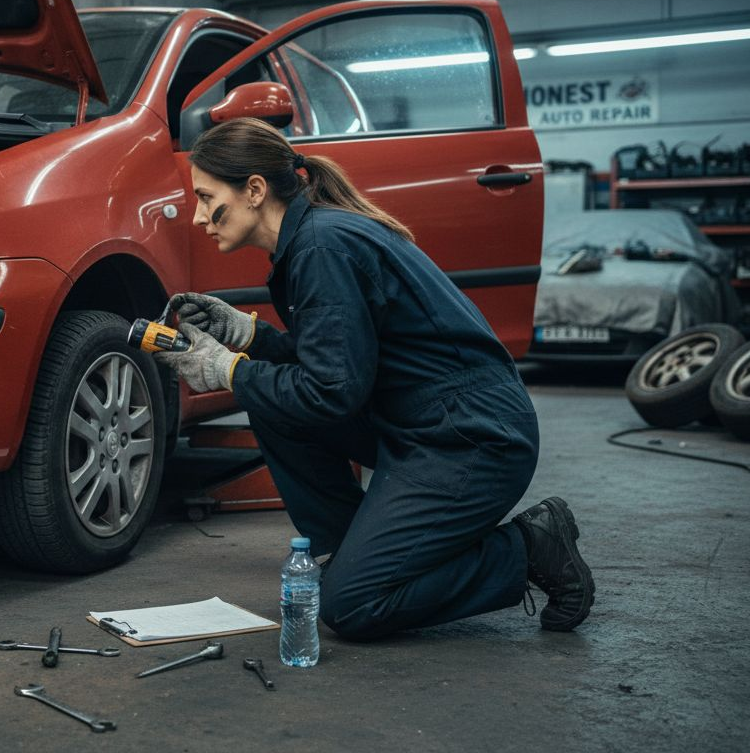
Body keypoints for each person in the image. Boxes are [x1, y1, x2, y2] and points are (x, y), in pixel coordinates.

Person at [157, 118, 594, 639]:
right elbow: (337, 363)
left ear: (254, 189)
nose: (200, 216)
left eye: (207, 198)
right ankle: (352, 551)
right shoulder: (313, 239)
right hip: (419, 423)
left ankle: (527, 547)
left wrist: (225, 369)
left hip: (471, 440)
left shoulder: (322, 247)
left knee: (353, 606)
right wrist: (247, 336)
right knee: (272, 399)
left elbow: (330, 394)